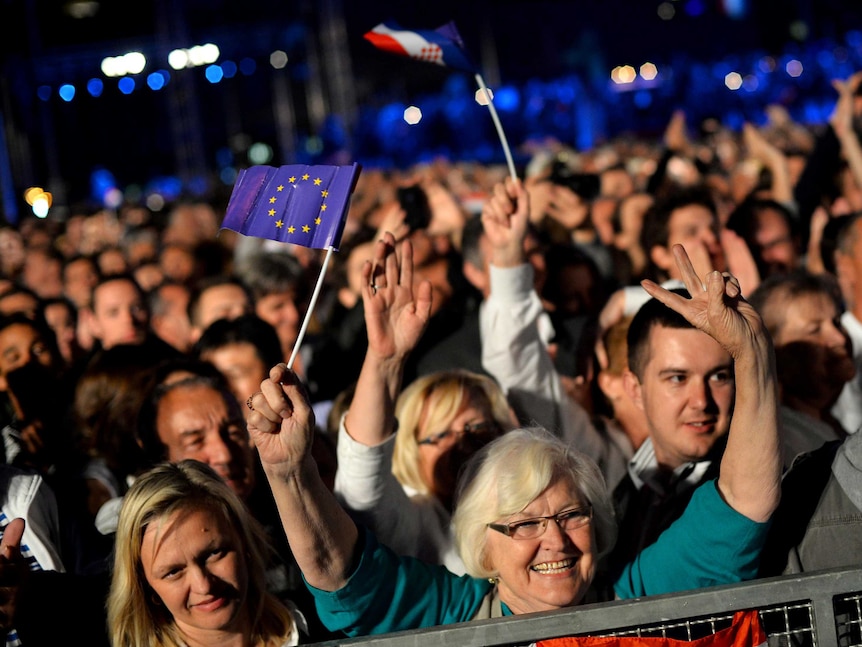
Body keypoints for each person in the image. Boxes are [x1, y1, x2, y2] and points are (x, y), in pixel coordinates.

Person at [246, 235, 781, 636]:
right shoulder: (453, 614)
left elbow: (742, 503)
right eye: (524, 524)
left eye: (572, 515)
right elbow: (341, 575)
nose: (555, 541)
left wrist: (750, 353)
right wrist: (288, 472)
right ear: (482, 542)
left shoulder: (635, 599)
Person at [333, 232, 515, 573]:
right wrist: (383, 360)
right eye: (439, 435)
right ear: (408, 452)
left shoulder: (536, 501)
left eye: (476, 426)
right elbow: (362, 486)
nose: (464, 444)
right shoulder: (414, 523)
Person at [107, 460, 301, 646]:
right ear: (145, 585)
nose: (204, 586)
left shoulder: (313, 626)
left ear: (243, 539)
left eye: (213, 554)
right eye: (173, 572)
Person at [748, 271, 855, 469]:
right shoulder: (783, 444)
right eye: (815, 331)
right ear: (774, 353)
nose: (839, 339)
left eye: (837, 323)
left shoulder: (826, 423)